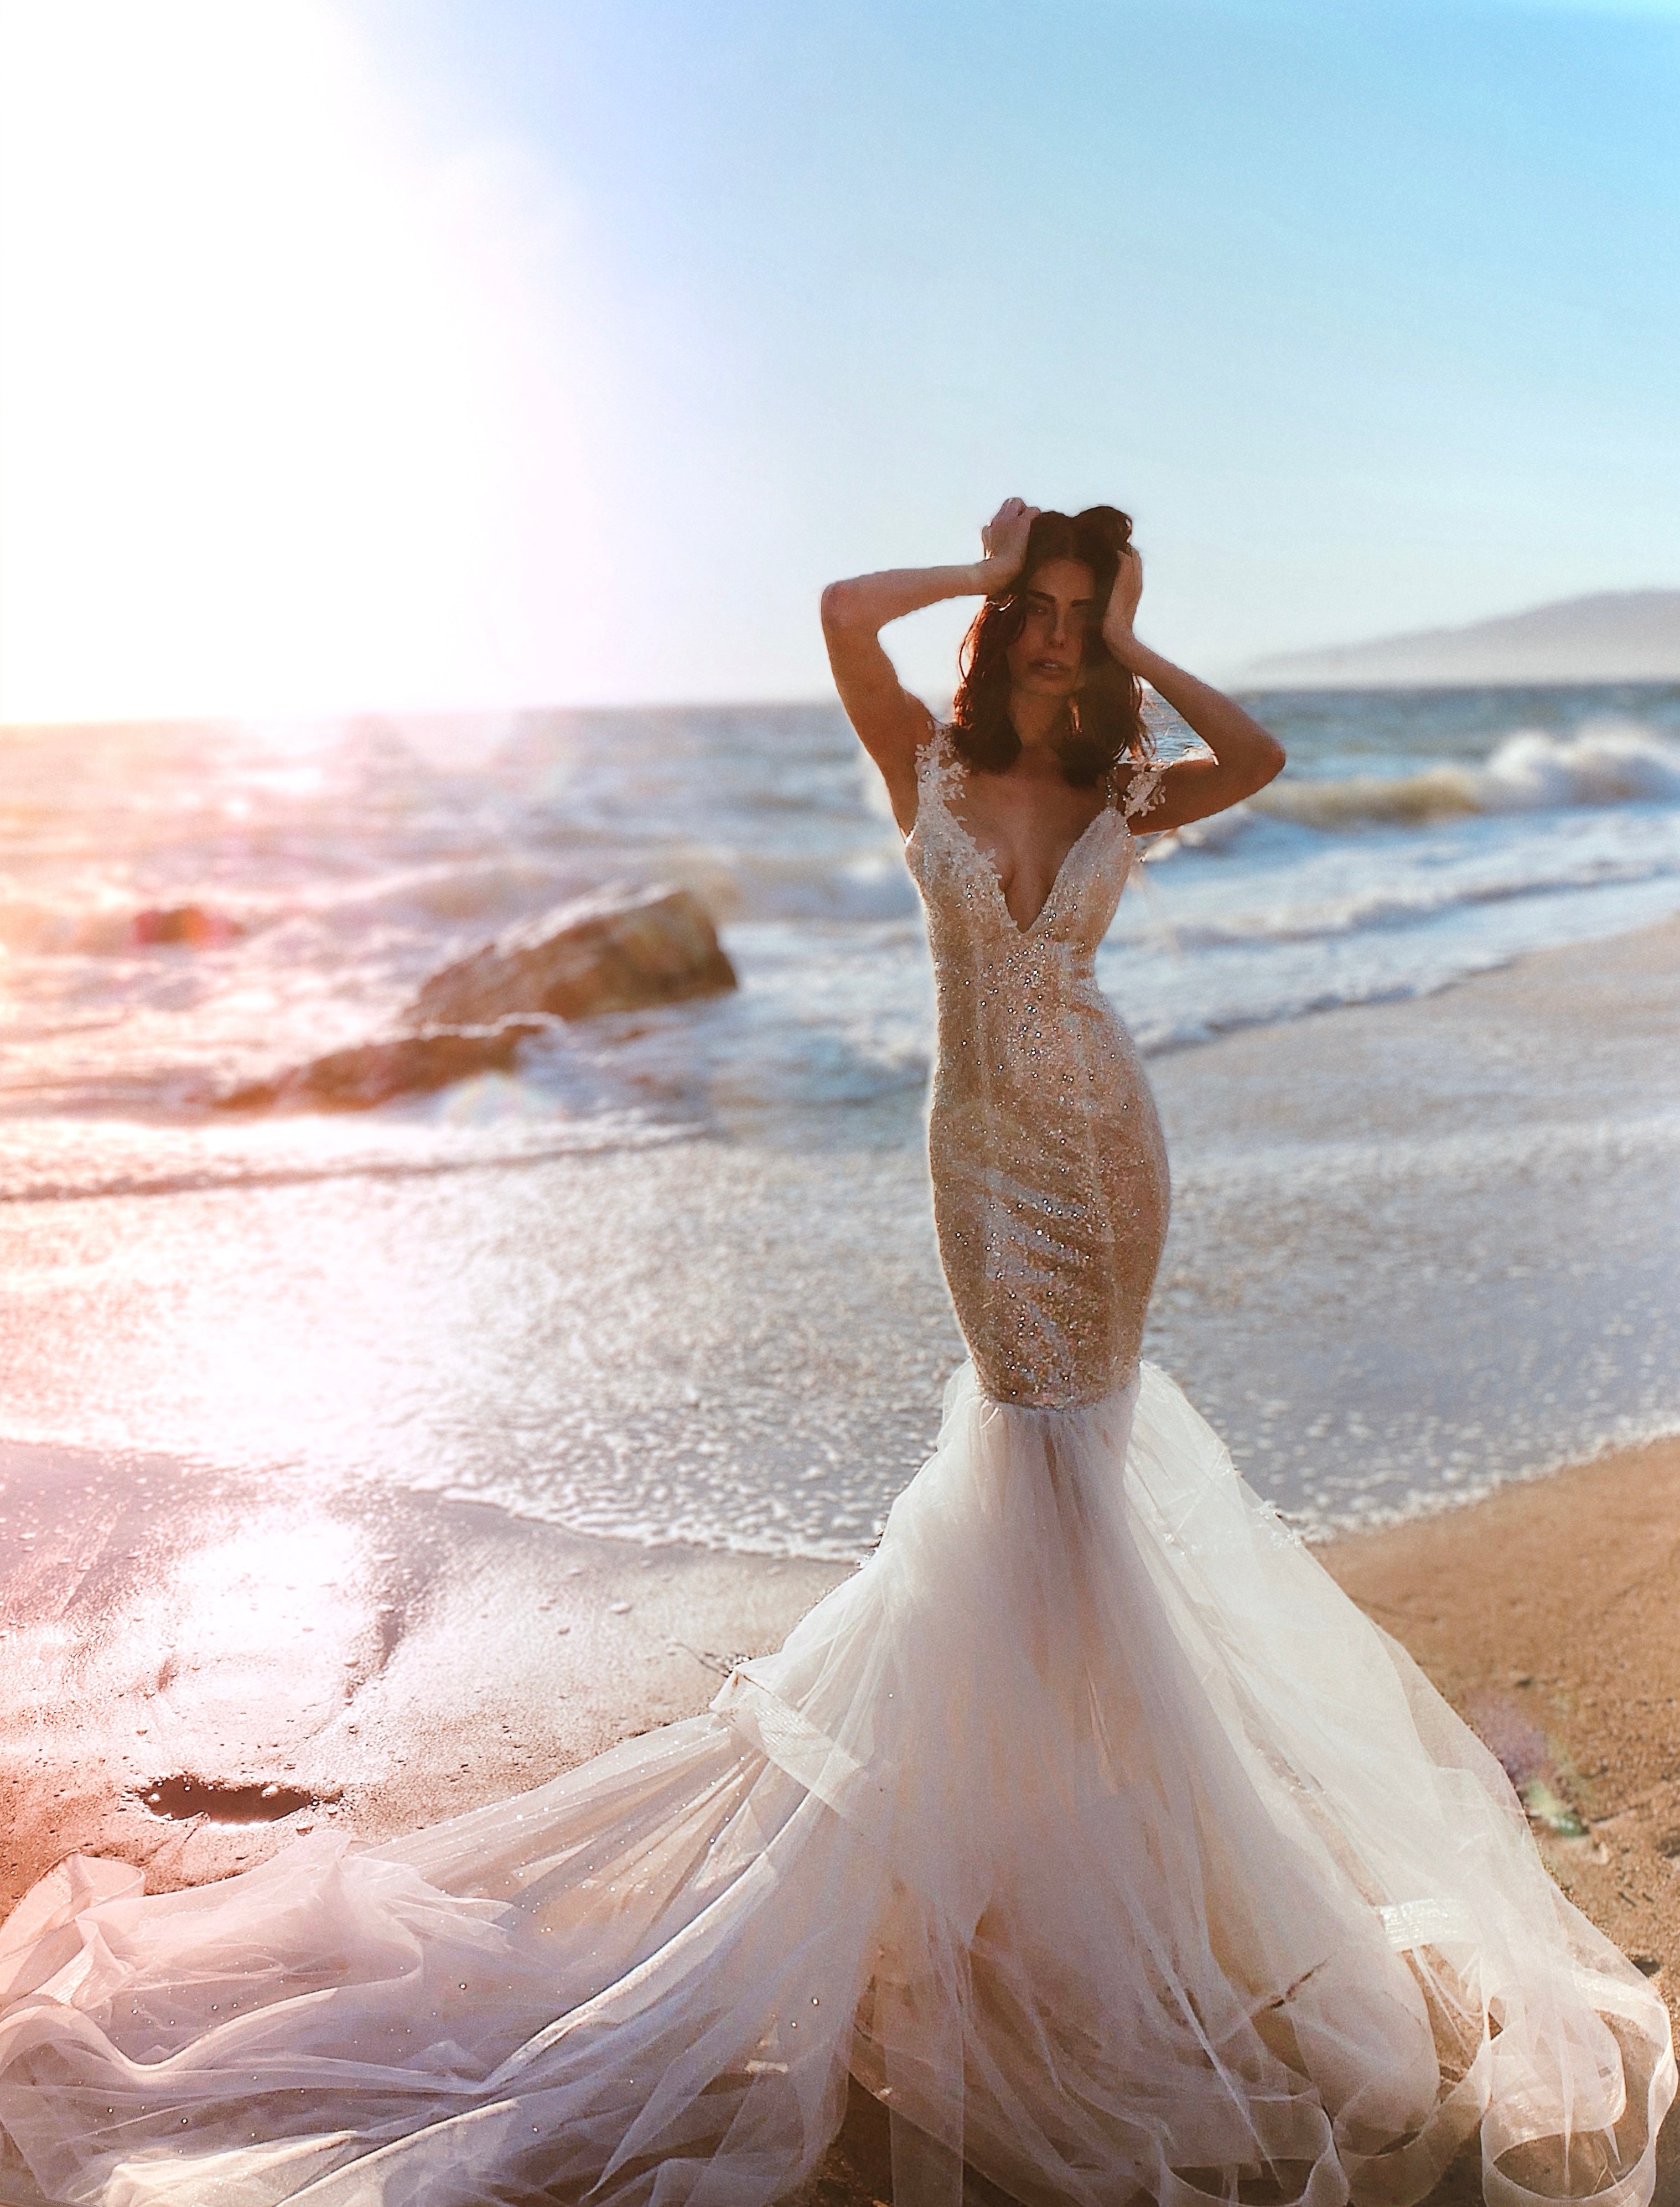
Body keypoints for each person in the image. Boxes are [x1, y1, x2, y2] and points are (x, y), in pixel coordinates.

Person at [0, 503, 1671, 2207]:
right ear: (1006, 614)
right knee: (1029, 1454)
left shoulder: (1123, 789)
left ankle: (1101, 1869)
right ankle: (1060, 1868)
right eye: (1040, 614)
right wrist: (990, 563)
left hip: (1107, 1148)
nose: (1049, 641)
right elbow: (836, 610)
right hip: (981, 1160)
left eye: (1075, 622)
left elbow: (1263, 746)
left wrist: (1129, 647)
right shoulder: (923, 767)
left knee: (1080, 1464)